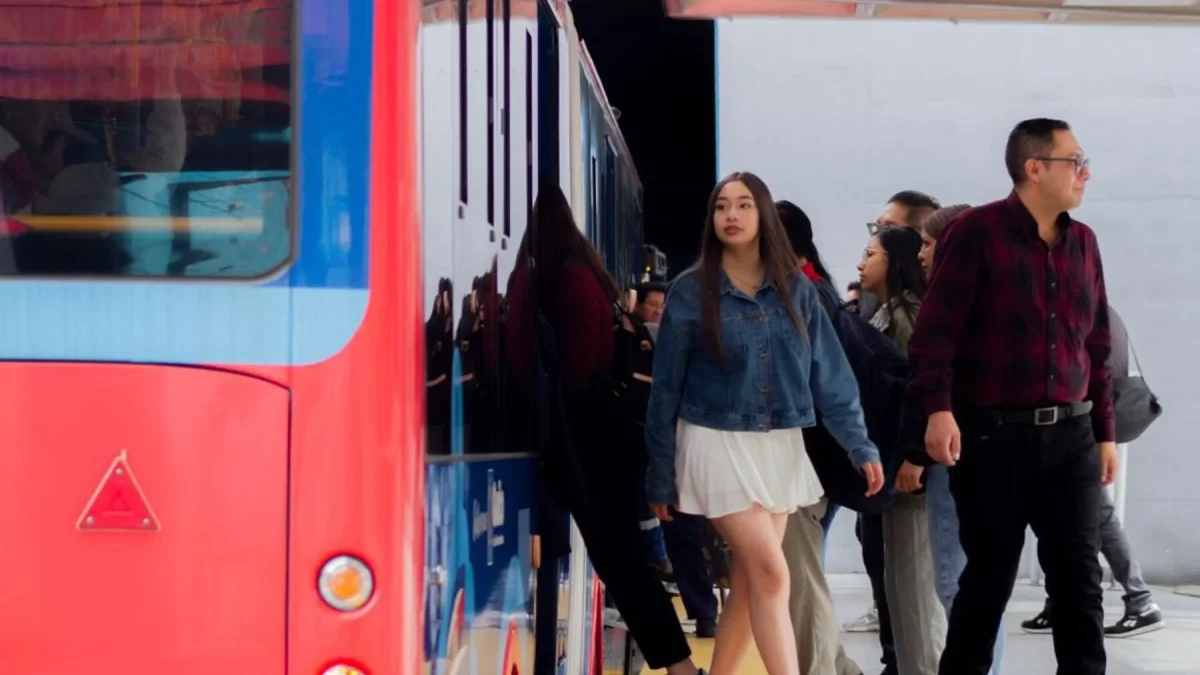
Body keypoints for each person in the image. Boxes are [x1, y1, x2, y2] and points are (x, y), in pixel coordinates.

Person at [646, 172, 884, 675]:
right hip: (713, 440)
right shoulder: (690, 292)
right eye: (722, 207)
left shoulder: (796, 290)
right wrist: (660, 474)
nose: (731, 215)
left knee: (752, 580)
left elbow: (831, 376)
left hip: (779, 444)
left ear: (764, 216)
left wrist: (860, 446)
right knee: (775, 574)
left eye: (744, 205)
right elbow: (664, 389)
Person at [908, 118, 1116, 675]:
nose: (1085, 173)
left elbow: (1095, 345)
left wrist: (1106, 434)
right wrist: (938, 409)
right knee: (987, 581)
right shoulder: (976, 232)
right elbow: (936, 332)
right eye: (1075, 161)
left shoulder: (1085, 243)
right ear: (1035, 168)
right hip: (994, 435)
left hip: (1072, 435)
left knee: (1079, 582)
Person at [506, 180, 705, 675]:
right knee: (624, 559)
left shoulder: (558, 280)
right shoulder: (587, 274)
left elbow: (574, 370)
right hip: (606, 440)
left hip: (587, 444)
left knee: (621, 560)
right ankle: (678, 666)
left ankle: (678, 666)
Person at [901, 203, 1007, 675]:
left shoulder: (952, 306)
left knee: (957, 581)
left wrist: (915, 452)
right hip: (985, 452)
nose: (920, 253)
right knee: (978, 583)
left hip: (956, 455)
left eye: (927, 243)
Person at [1021, 304, 1165, 638]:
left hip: (1080, 430)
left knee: (1099, 517)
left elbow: (1082, 374)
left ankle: (1140, 599)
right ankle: (1059, 600)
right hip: (1083, 428)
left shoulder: (1083, 315)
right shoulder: (1106, 314)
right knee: (1061, 520)